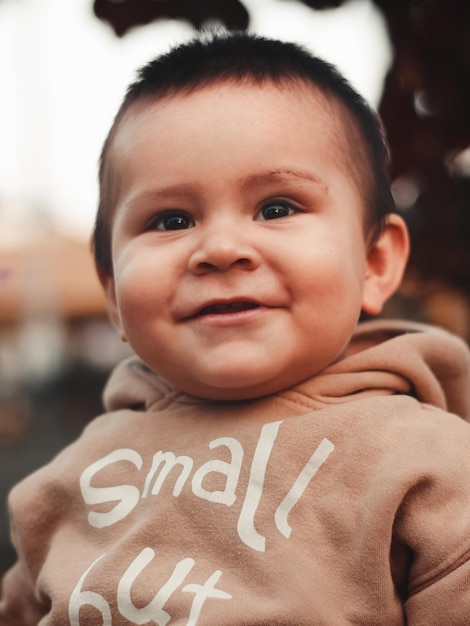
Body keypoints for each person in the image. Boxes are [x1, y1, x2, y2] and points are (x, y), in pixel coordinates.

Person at [1, 31, 470, 625]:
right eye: (171, 219)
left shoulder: (427, 465)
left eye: (277, 208)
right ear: (114, 296)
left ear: (375, 263)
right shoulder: (67, 480)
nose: (220, 249)